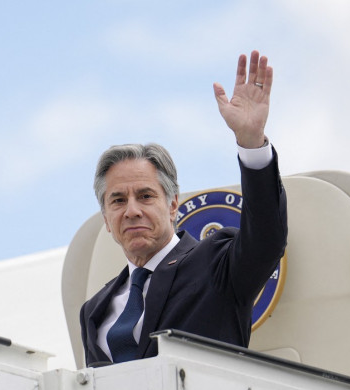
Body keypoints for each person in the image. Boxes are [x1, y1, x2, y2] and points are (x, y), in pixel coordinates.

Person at [79, 50, 288, 367]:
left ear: (172, 203)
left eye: (146, 196)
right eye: (118, 200)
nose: (132, 210)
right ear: (106, 219)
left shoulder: (216, 264)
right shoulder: (94, 309)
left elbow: (266, 238)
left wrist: (251, 142)